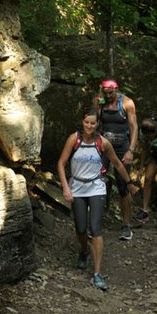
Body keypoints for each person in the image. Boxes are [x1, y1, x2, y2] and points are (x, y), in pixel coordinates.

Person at [57, 108, 137, 291]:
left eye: (93, 123)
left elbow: (117, 163)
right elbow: (61, 163)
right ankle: (84, 250)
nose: (90, 126)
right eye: (87, 122)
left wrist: (129, 183)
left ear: (97, 124)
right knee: (80, 228)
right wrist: (65, 187)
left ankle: (97, 273)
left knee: (95, 228)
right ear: (82, 122)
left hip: (96, 187)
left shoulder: (103, 143)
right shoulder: (74, 139)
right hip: (76, 187)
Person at [93, 77, 139, 242]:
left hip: (122, 147)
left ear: (116, 90)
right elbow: (94, 122)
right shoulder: (101, 101)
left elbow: (134, 127)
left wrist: (131, 151)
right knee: (97, 181)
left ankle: (126, 225)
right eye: (106, 93)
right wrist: (98, 104)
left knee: (123, 185)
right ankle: (95, 221)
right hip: (104, 146)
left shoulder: (127, 103)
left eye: (111, 93)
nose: (109, 96)